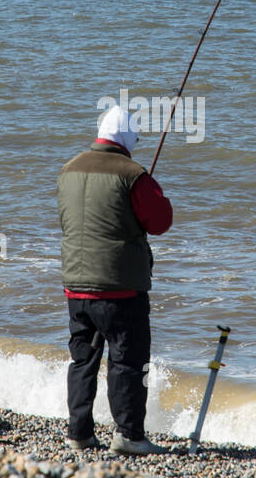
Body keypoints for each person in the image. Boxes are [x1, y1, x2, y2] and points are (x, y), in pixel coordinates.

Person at [57, 105, 173, 454]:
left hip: (76, 285)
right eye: (134, 139)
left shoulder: (68, 170)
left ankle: (78, 434)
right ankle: (129, 435)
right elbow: (160, 222)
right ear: (125, 137)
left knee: (83, 359)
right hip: (120, 288)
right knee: (127, 360)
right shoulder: (133, 174)